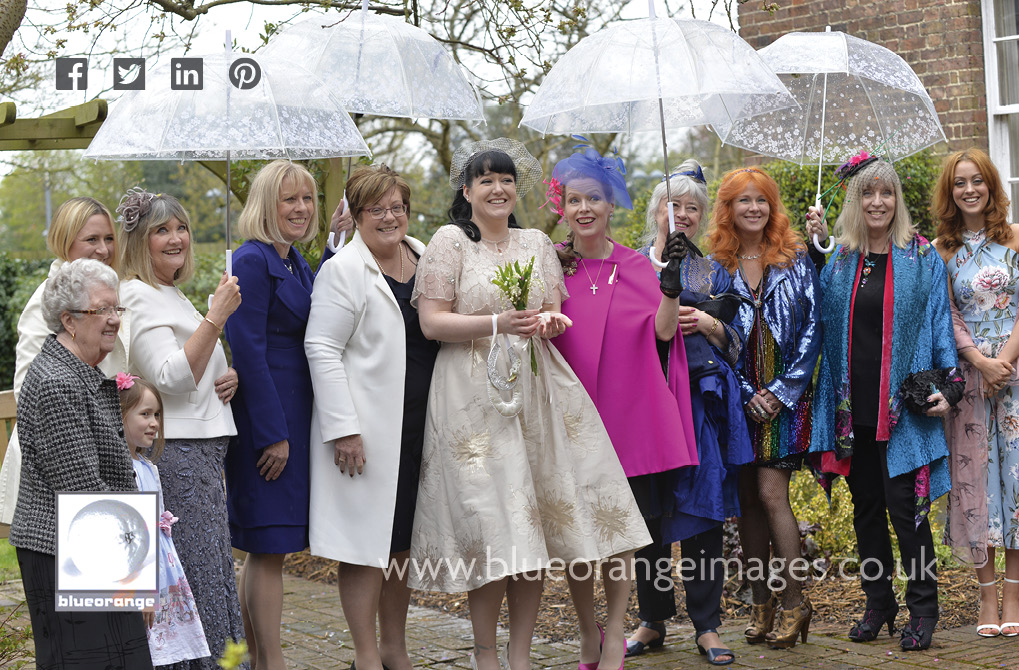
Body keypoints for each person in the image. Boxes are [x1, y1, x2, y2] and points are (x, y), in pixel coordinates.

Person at [409, 138, 650, 670]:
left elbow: (549, 312)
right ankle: (486, 655)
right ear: (467, 190)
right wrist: (497, 323)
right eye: (486, 180)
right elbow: (432, 322)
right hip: (470, 398)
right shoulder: (450, 242)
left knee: (530, 529)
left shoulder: (538, 241)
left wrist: (546, 322)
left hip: (537, 390)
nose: (498, 189)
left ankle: (521, 657)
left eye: (507, 180)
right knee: (493, 528)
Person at [549, 149, 737, 667]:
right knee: (593, 536)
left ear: (612, 206)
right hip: (575, 419)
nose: (584, 208)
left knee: (662, 522)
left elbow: (660, 333)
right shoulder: (551, 262)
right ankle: (618, 627)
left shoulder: (638, 266)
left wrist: (671, 290)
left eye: (594, 199)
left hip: (641, 418)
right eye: (574, 199)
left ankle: (674, 628)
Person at [807, 156, 959, 651]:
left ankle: (922, 608)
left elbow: (939, 328)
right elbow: (821, 321)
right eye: (868, 194)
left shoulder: (920, 257)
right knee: (866, 510)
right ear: (856, 201)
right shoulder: (843, 261)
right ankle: (879, 603)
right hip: (853, 410)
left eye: (886, 193)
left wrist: (949, 388)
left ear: (897, 201)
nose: (877, 202)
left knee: (907, 511)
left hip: (902, 414)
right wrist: (816, 248)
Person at [610, 160, 754, 666]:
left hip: (697, 406)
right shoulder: (628, 267)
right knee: (648, 512)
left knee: (700, 511)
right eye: (675, 206)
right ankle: (651, 620)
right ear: (656, 213)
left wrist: (711, 326)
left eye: (693, 208)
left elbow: (739, 343)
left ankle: (707, 626)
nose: (684, 216)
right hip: (644, 405)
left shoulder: (714, 271)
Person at [305, 164, 438, 670]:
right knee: (365, 548)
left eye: (397, 207)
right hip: (367, 431)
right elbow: (321, 347)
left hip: (421, 423)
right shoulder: (344, 270)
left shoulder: (424, 256)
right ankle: (365, 655)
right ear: (356, 216)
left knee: (401, 544)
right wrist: (343, 428)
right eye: (376, 209)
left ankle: (394, 649)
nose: (390, 217)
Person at [118, 189, 246, 668]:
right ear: (139, 242)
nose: (177, 239)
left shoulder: (170, 291)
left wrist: (225, 374)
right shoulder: (136, 294)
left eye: (181, 227)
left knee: (212, 570)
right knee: (194, 576)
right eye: (161, 230)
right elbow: (169, 376)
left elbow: (193, 365)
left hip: (206, 454)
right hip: (180, 457)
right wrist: (216, 317)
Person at [8, 258, 152, 669]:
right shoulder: (57, 382)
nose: (113, 320)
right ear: (69, 321)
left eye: (115, 309)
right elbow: (87, 494)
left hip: (90, 547)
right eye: (101, 310)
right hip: (67, 552)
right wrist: (139, 574)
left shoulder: (81, 372)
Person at [705, 167, 820, 649]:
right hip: (737, 397)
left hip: (784, 400)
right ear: (727, 209)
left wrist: (779, 390)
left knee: (773, 495)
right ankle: (761, 604)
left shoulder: (793, 259)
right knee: (748, 502)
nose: (753, 208)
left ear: (773, 208)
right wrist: (746, 389)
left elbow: (814, 330)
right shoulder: (714, 265)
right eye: (742, 201)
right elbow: (711, 338)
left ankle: (796, 602)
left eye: (762, 201)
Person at [223, 160, 318, 670]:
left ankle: (255, 657)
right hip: (268, 420)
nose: (301, 208)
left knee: (268, 546)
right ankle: (273, 662)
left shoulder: (293, 259)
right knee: (267, 544)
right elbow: (247, 348)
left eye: (307, 199)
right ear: (266, 205)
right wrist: (271, 434)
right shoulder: (252, 260)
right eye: (290, 200)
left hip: (296, 416)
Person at [932, 148, 1019, 638]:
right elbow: (947, 316)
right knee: (976, 487)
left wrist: (1004, 361)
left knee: (1016, 482)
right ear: (951, 192)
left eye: (977, 181)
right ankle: (986, 596)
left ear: (990, 186)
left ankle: (1013, 592)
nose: (969, 190)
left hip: (1016, 377)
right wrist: (981, 363)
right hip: (969, 383)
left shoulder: (1017, 241)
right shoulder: (941, 252)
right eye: (960, 183)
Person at [0, 197, 127, 525]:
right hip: (57, 470)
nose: (103, 249)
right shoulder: (47, 301)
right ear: (64, 242)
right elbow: (32, 387)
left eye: (109, 238)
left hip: (104, 455)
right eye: (91, 240)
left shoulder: (108, 294)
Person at [118, 373, 211, 666]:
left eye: (157, 414)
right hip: (142, 571)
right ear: (119, 417)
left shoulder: (147, 465)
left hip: (162, 566)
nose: (155, 422)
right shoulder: (123, 471)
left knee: (163, 642)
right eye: (145, 414)